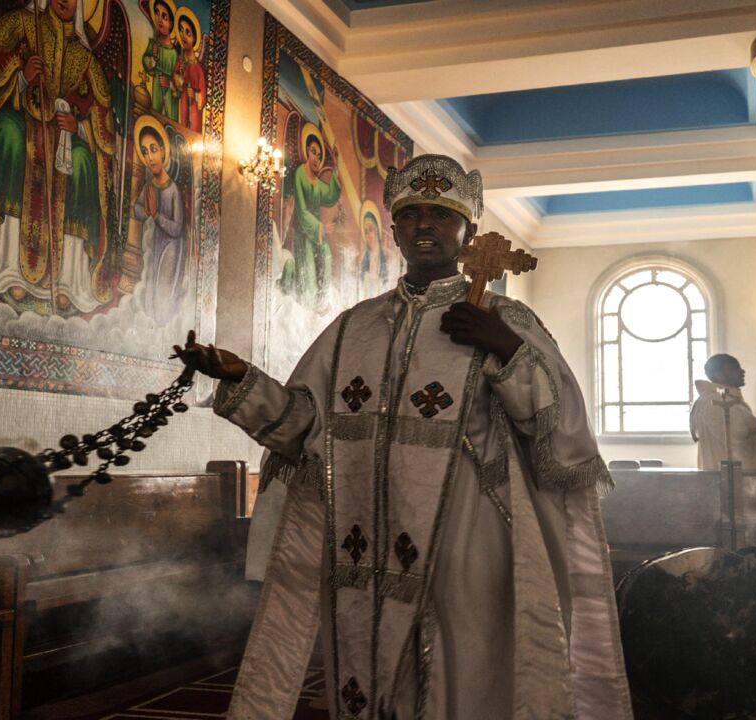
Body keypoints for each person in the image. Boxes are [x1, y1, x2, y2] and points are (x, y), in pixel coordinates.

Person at [175, 154, 632, 720]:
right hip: (364, 537)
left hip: (463, 538)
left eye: (441, 215)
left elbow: (558, 430)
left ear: (467, 230)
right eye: (412, 214)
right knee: (363, 669)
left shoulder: (503, 317)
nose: (425, 226)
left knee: (458, 675)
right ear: (392, 228)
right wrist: (242, 380)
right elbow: (305, 429)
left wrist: (505, 348)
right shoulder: (353, 328)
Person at [0, 0, 118, 315]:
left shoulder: (85, 60)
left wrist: (78, 128)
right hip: (19, 119)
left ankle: (68, 282)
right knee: (9, 137)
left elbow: (104, 127)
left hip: (64, 141)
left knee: (82, 163)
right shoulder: (18, 25)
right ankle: (5, 268)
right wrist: (22, 79)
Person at [131, 117, 186, 324]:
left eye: (153, 149)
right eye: (145, 152)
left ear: (163, 151)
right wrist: (144, 211)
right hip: (156, 245)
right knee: (152, 291)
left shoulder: (172, 190)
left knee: (163, 293)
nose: (150, 157)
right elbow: (137, 209)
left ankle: (164, 334)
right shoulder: (149, 186)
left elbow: (177, 228)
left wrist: (155, 215)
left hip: (172, 248)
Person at [278, 125, 340, 301]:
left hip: (319, 233)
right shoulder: (300, 174)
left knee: (327, 259)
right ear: (306, 151)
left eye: (319, 155)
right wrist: (322, 228)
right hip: (304, 233)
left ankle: (321, 304)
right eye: (314, 152)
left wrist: (335, 166)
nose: (316, 158)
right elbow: (302, 210)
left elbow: (331, 196)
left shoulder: (316, 182)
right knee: (309, 283)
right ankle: (295, 289)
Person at [690, 353, 756, 471]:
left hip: (732, 474)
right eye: (736, 368)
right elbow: (736, 433)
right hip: (730, 476)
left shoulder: (718, 398)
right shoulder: (717, 401)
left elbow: (731, 430)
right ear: (719, 373)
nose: (742, 371)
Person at [142, 0, 179, 120]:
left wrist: (170, 84)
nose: (159, 19)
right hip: (157, 93)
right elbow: (146, 62)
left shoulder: (176, 53)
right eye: (157, 13)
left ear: (171, 23)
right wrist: (153, 59)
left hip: (170, 101)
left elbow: (181, 83)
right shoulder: (154, 44)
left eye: (164, 16)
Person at [172, 7, 205, 132]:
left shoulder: (198, 68)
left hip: (194, 109)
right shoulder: (180, 61)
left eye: (188, 32)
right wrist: (178, 79)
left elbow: (203, 96)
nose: (183, 35)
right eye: (181, 30)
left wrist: (195, 95)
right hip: (182, 103)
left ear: (195, 38)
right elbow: (174, 81)